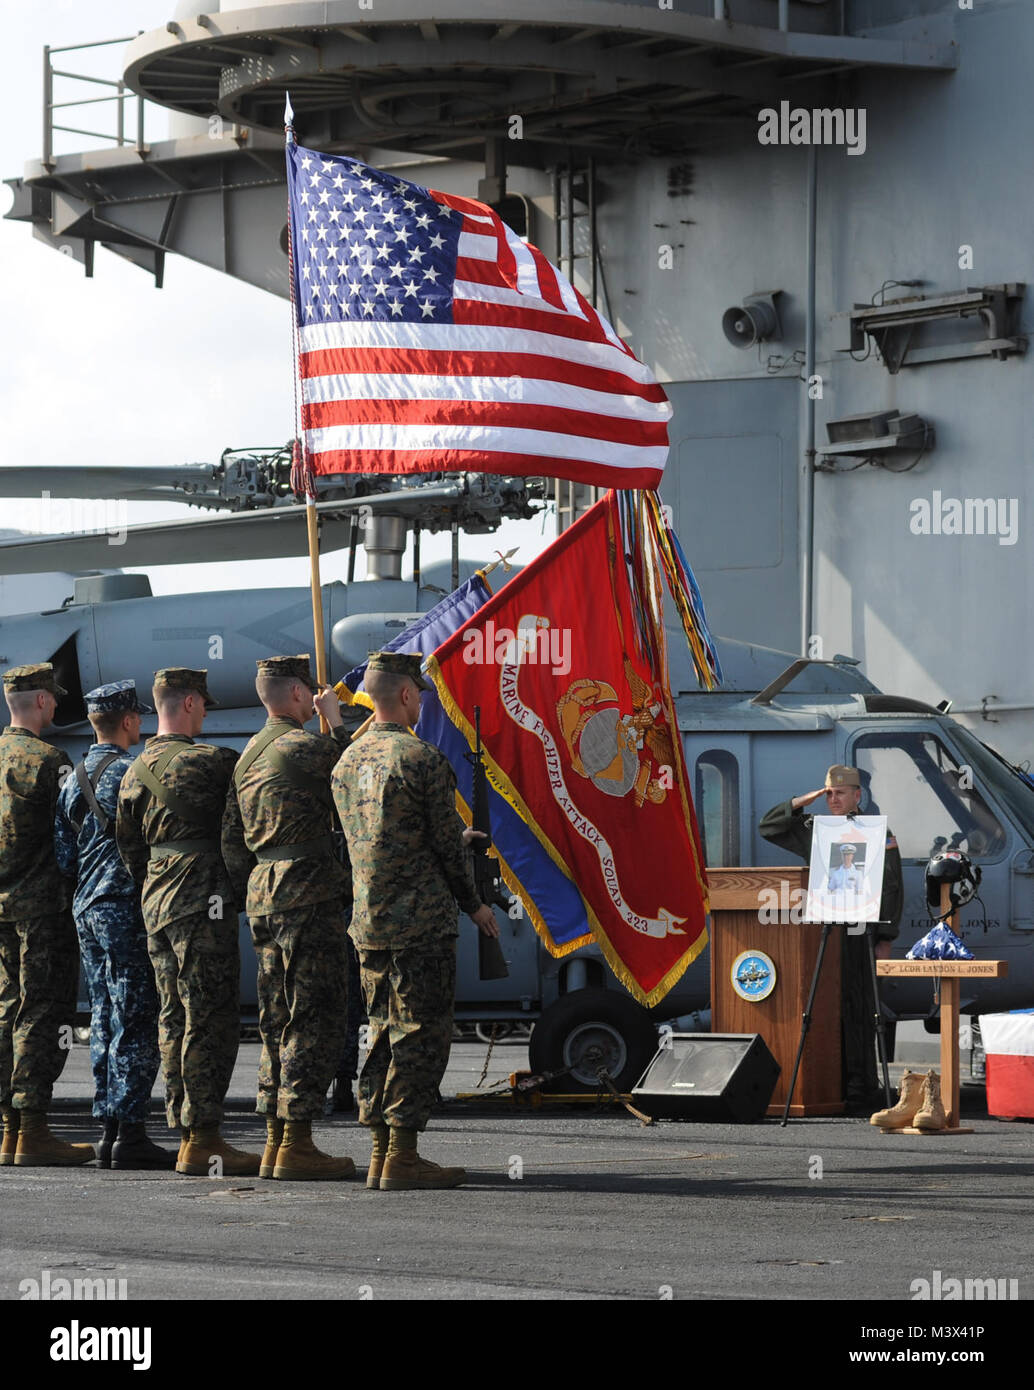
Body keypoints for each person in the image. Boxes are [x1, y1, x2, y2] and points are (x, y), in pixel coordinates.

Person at [331, 651, 500, 1191]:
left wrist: (454, 839)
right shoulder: (420, 759)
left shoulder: (346, 763)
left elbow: (375, 838)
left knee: (380, 1031)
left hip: (369, 921)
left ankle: (381, 1152)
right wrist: (474, 903)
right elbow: (445, 854)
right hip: (420, 922)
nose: (423, 703)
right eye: (420, 694)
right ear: (406, 695)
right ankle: (403, 1153)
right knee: (421, 1034)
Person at [116, 667, 258, 1176]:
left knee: (173, 1016)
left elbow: (129, 850)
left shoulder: (133, 772)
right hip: (204, 903)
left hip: (157, 904)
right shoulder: (215, 762)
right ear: (192, 703)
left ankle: (185, 1130)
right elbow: (242, 831)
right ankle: (204, 1137)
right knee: (210, 1017)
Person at [222, 655, 354, 1181]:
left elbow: (233, 842)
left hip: (263, 892)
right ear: (300, 694)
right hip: (308, 893)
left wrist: (250, 890)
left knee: (277, 1016)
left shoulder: (248, 753)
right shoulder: (307, 747)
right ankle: (297, 1140)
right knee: (314, 1015)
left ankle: (276, 1138)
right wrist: (338, 722)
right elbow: (356, 780)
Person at [54, 680, 173, 1170]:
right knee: (137, 1015)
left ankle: (106, 1130)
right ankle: (132, 1132)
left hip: (87, 907)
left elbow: (64, 856)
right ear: (127, 721)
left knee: (103, 1013)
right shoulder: (135, 772)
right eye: (137, 718)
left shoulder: (72, 776)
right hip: (126, 907)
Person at [759, 763, 903, 1115]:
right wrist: (805, 800)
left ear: (858, 795)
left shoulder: (876, 832)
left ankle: (862, 1088)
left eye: (840, 793)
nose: (833, 800)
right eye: (829, 793)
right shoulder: (817, 829)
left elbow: (892, 884)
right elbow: (770, 826)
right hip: (828, 927)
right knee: (825, 1007)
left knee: (861, 1009)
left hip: (861, 930)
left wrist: (885, 936)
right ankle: (830, 1086)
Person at [0, 663, 94, 1167]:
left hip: (2, 908)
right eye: (53, 698)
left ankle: (9, 1130)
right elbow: (68, 840)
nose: (57, 705)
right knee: (40, 1012)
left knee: (6, 1007)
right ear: (38, 701)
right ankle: (32, 1129)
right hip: (40, 910)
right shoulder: (48, 760)